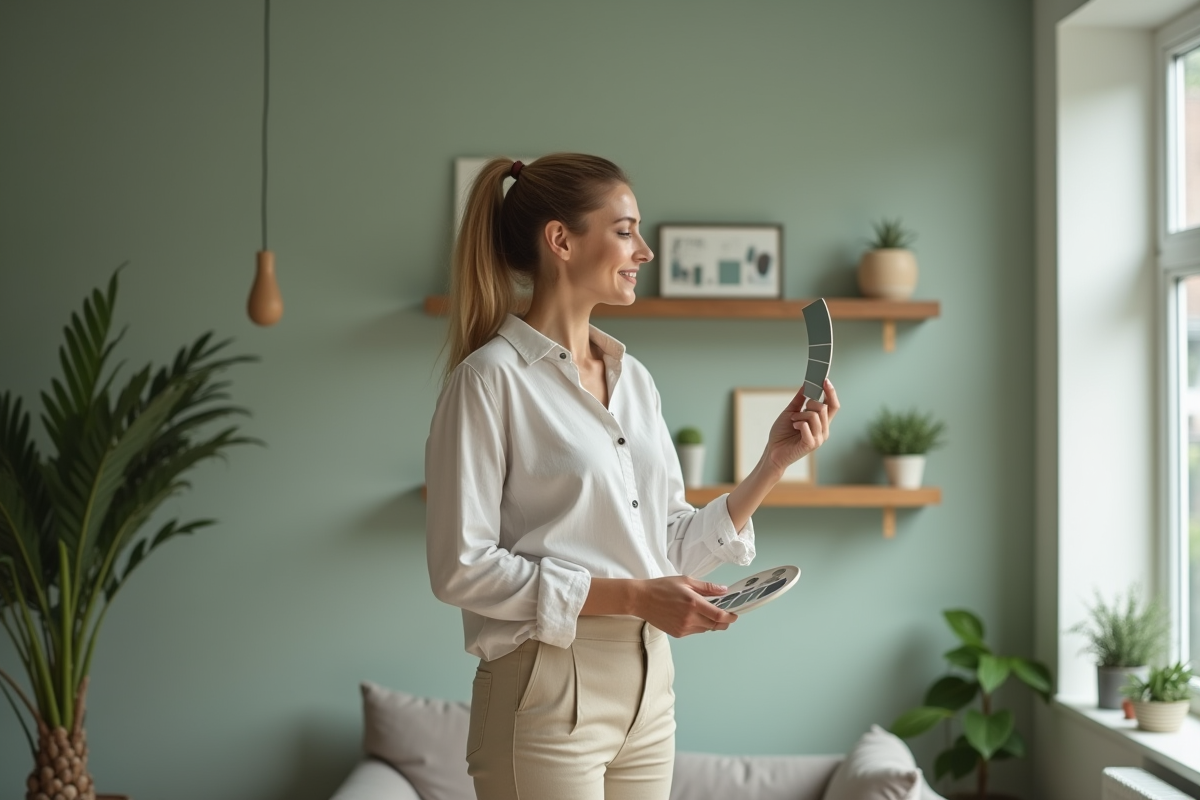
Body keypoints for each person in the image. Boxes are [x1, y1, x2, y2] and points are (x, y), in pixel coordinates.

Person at [425, 153, 839, 800]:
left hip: (650, 686)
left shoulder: (634, 380)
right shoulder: (489, 381)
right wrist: (635, 597)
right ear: (560, 240)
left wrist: (772, 465)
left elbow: (665, 544)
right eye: (625, 230)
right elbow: (462, 568)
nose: (643, 250)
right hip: (546, 688)